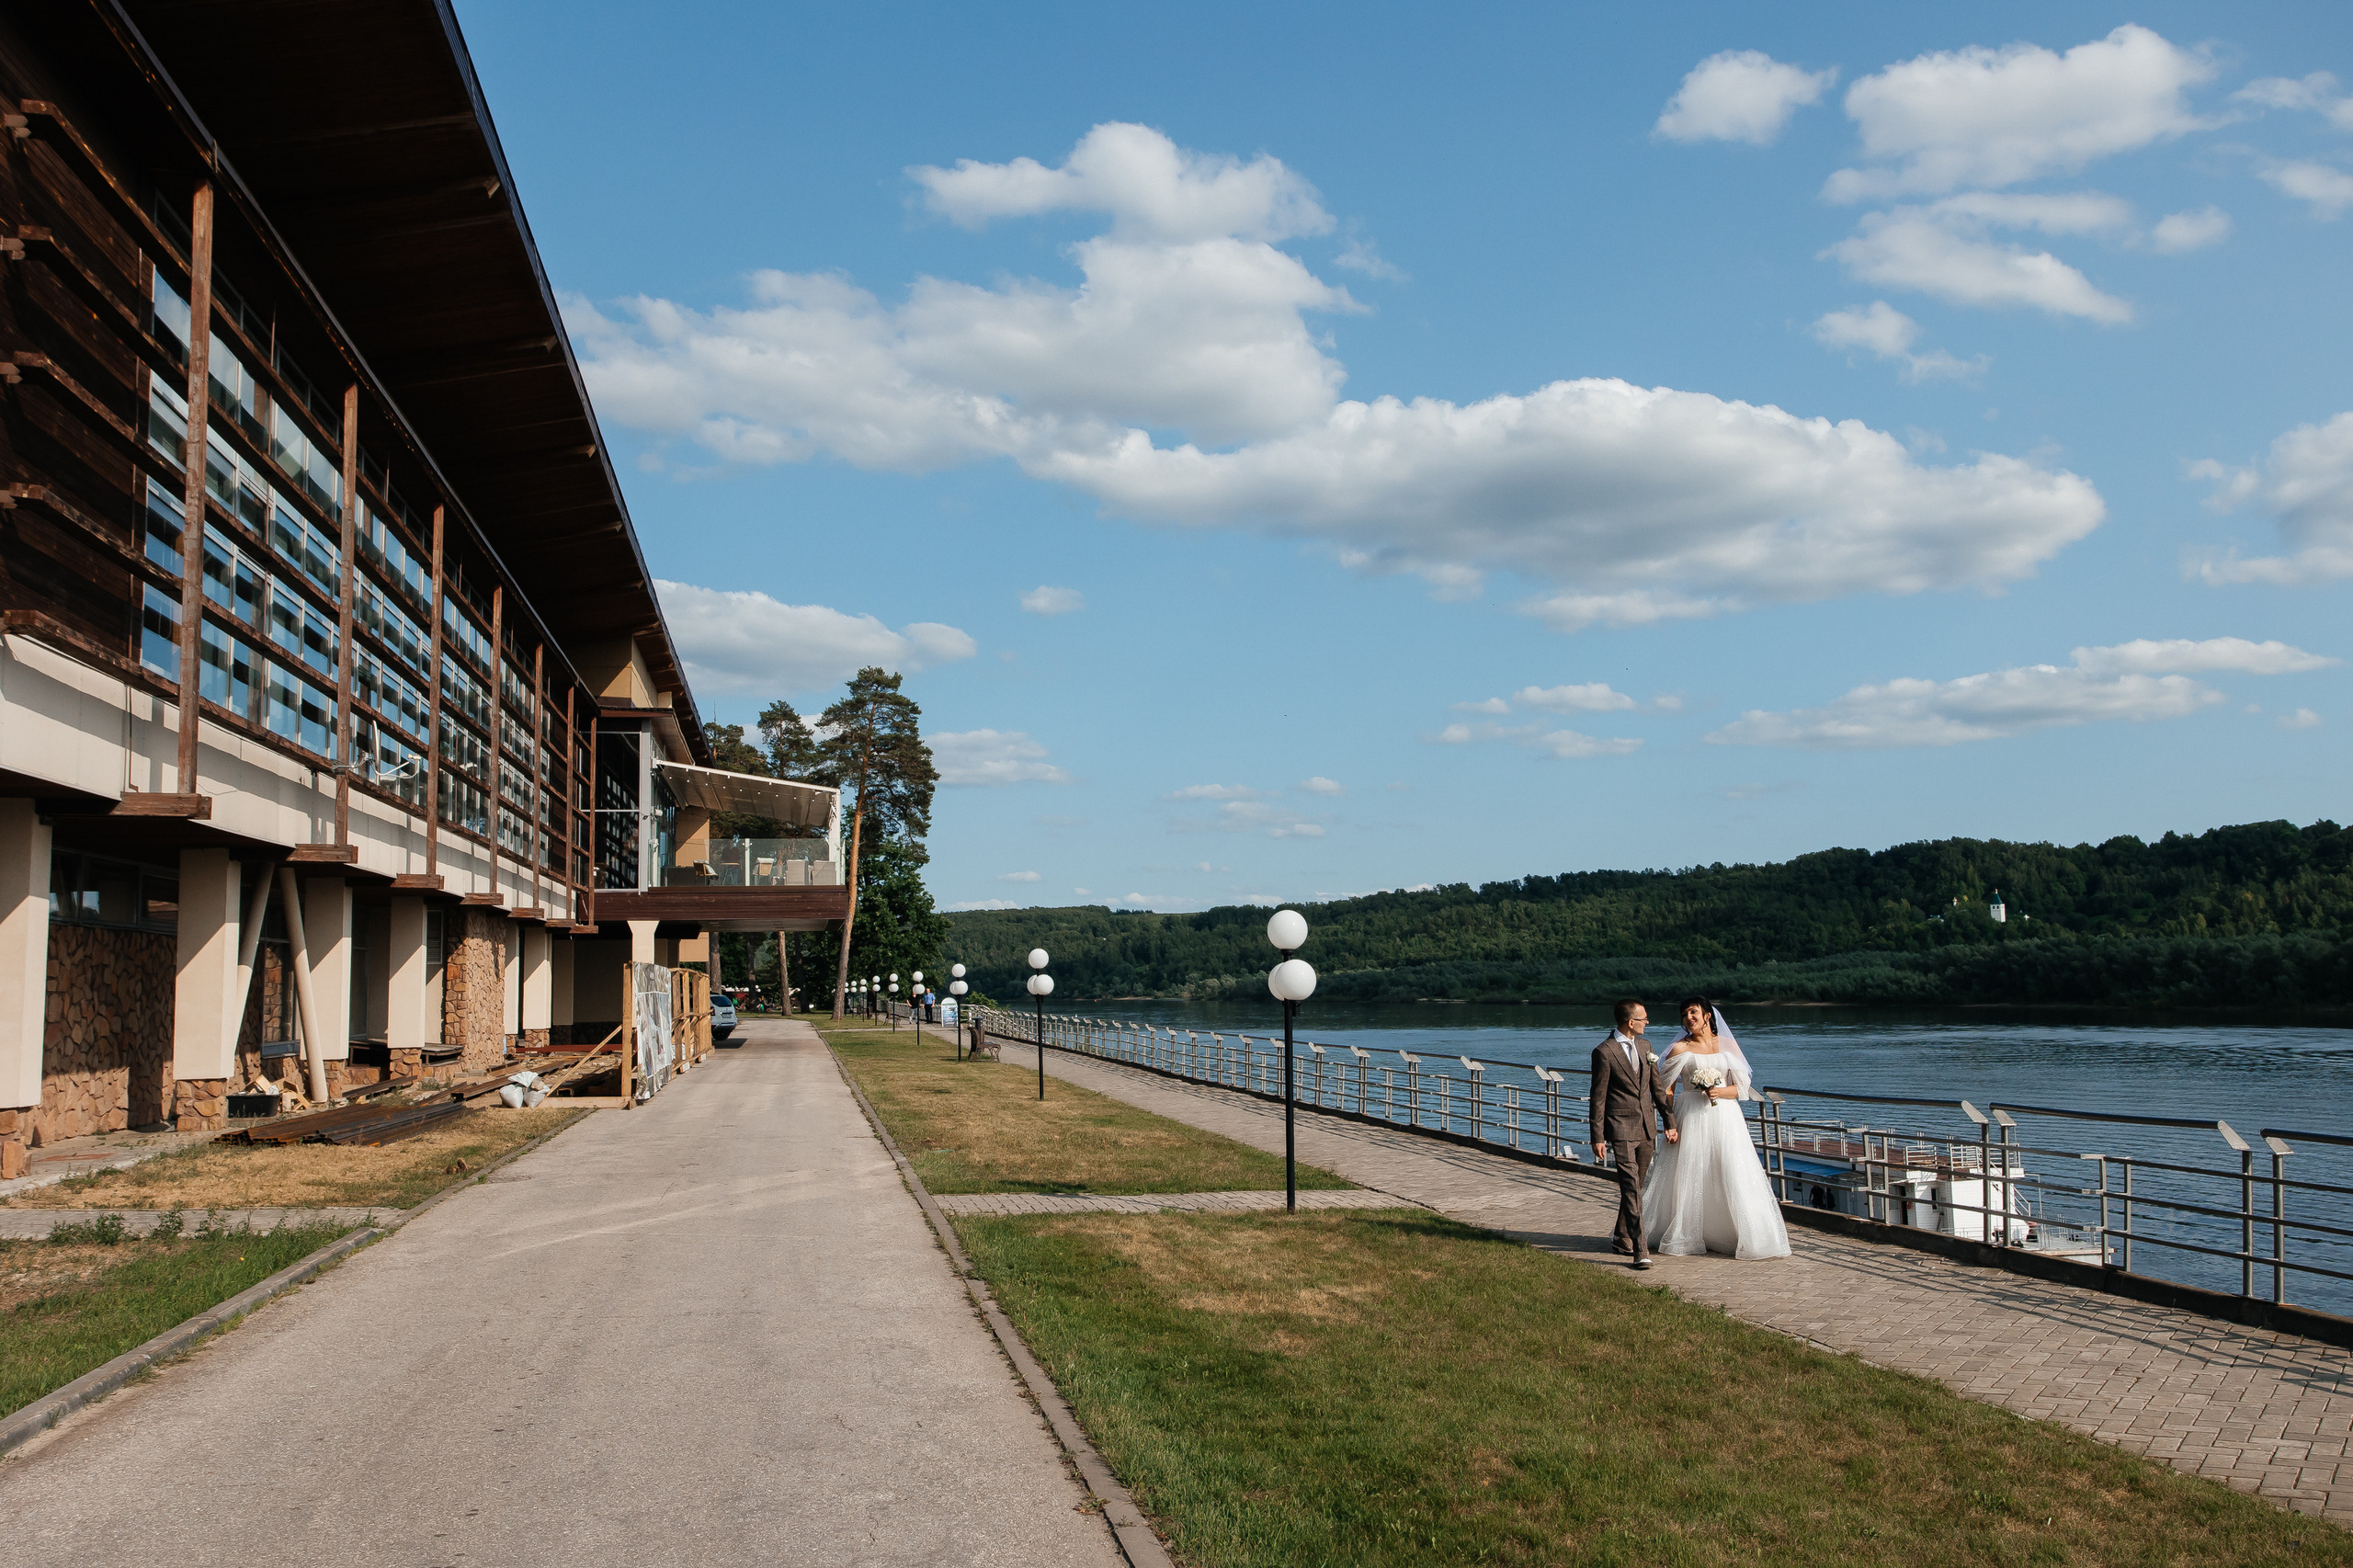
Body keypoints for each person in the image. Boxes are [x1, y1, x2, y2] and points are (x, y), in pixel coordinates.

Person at [1643, 997, 1790, 1260]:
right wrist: (1668, 1121)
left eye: (1693, 1012)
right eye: (1685, 1014)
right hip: (1690, 1113)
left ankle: (1738, 1234)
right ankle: (1686, 1231)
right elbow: (1665, 1087)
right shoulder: (1680, 1048)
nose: (1689, 1017)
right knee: (1689, 1169)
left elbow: (1741, 1089)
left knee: (1731, 1167)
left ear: (1708, 1016)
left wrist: (1719, 1091)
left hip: (1725, 1116)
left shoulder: (1728, 1046)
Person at [1590, 999, 1677, 1270]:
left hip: (1647, 1127)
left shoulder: (1646, 1047)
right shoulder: (1604, 1052)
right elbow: (1598, 1098)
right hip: (1621, 1128)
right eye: (1644, 1019)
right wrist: (1597, 1135)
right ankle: (1641, 1249)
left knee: (1636, 1186)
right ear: (1631, 1022)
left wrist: (1668, 1120)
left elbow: (1657, 1088)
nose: (1647, 1023)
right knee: (1630, 1187)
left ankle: (1620, 1235)